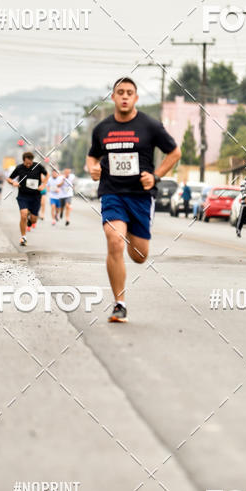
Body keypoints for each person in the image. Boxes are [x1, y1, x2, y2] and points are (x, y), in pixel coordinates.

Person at [86, 76, 181, 323]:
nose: (125, 96)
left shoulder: (150, 126)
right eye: (120, 92)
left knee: (139, 256)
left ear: (136, 98)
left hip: (140, 196)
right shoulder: (102, 129)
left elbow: (175, 152)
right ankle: (119, 304)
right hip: (112, 193)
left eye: (129, 92)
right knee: (114, 241)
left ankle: (127, 229)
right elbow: (92, 157)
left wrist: (156, 176)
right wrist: (93, 168)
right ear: (113, 97)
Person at [7, 152, 48, 246]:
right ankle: (23, 237)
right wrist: (13, 183)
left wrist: (43, 185)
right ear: (23, 160)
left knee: (34, 220)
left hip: (35, 196)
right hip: (23, 196)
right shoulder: (19, 168)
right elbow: (9, 179)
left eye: (30, 163)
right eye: (26, 163)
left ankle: (30, 221)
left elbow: (47, 175)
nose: (28, 165)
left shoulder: (38, 166)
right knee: (23, 214)